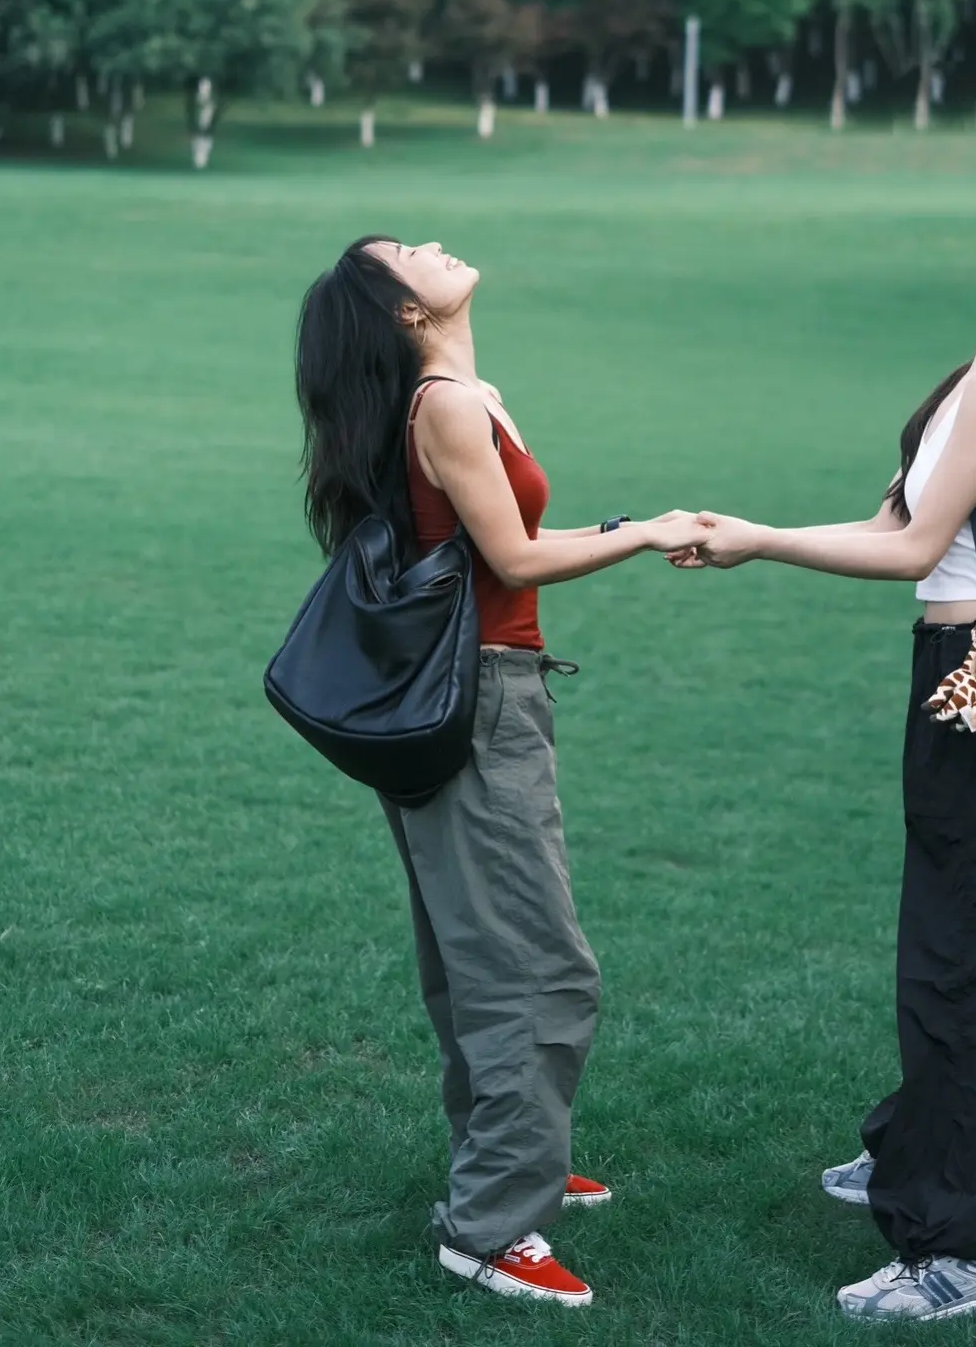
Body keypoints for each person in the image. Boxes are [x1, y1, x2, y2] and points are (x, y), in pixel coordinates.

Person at [675, 242, 976, 1324]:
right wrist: (749, 537)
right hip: (965, 677)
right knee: (948, 942)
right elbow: (897, 528)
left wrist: (757, 542)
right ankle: (917, 1150)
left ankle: (964, 1253)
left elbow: (911, 556)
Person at [294, 235, 706, 1310]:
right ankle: (489, 1227)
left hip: (469, 695)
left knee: (477, 951)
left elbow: (498, 543)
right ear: (403, 313)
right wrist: (645, 531)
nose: (433, 243)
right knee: (542, 968)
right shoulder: (446, 405)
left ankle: (516, 1155)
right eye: (407, 253)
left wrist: (619, 529)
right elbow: (516, 561)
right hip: (478, 704)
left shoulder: (457, 394)